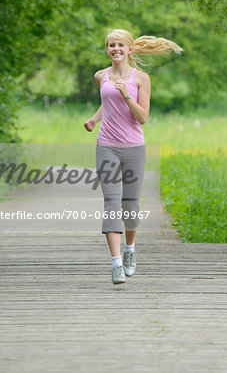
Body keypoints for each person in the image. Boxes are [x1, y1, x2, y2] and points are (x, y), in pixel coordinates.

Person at [84, 29, 182, 285]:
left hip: (134, 148)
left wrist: (127, 94)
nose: (115, 49)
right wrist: (95, 120)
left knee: (130, 204)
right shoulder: (100, 76)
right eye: (110, 45)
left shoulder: (141, 78)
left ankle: (130, 251)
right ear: (107, 49)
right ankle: (116, 263)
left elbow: (142, 118)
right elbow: (108, 102)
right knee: (111, 203)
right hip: (106, 146)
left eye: (119, 45)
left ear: (129, 49)